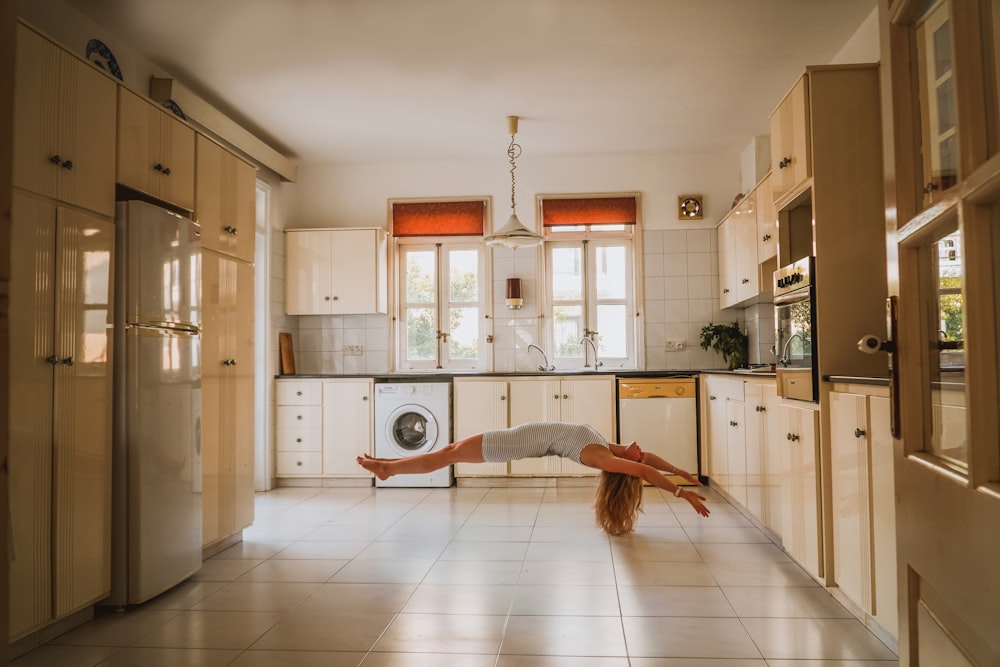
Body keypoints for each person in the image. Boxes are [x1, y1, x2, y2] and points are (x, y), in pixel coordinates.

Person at [356, 421, 709, 535]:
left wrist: (680, 493)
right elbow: (647, 460)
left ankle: (388, 469)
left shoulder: (601, 457)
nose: (639, 448)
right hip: (512, 437)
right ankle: (388, 463)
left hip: (507, 445)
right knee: (448, 450)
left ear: (626, 467)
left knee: (448, 454)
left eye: (636, 452)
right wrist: (679, 470)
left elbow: (644, 469)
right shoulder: (613, 449)